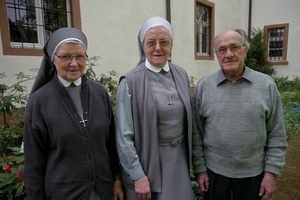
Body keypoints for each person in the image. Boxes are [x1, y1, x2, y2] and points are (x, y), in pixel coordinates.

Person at [23, 27, 124, 200]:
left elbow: (111, 144)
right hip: (63, 194)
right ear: (53, 59)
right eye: (66, 57)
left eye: (80, 56)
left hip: (103, 191)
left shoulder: (100, 93)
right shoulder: (39, 102)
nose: (74, 63)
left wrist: (117, 178)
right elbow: (33, 162)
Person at [192, 28, 288, 200]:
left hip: (254, 176)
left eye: (234, 47)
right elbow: (196, 133)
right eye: (222, 49)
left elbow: (277, 133)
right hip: (214, 175)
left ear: (245, 50)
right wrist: (200, 169)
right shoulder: (204, 87)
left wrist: (271, 173)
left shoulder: (266, 85)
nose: (228, 54)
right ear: (216, 54)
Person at [115, 16, 194, 200]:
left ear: (171, 45)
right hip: (148, 163)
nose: (158, 48)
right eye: (151, 42)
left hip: (179, 161)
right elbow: (123, 137)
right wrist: (137, 174)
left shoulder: (181, 74)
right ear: (143, 46)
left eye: (164, 42)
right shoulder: (130, 81)